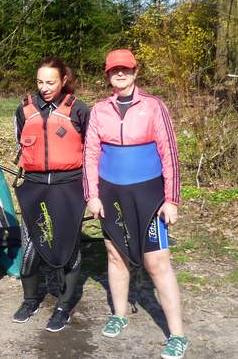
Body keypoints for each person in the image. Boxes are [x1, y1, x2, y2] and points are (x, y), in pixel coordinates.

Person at [83, 49, 189, 359]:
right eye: (114, 69)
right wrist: (92, 195)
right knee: (116, 256)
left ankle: (178, 335)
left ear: (135, 71)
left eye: (125, 69)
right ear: (107, 74)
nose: (120, 74)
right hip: (112, 194)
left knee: (157, 263)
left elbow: (170, 153)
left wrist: (171, 200)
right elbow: (89, 154)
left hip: (148, 194)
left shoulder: (154, 106)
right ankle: (119, 314)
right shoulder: (100, 110)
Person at [11, 56, 89, 332]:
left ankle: (63, 306)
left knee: (67, 248)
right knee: (31, 243)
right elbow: (20, 141)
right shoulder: (24, 110)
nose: (44, 87)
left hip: (68, 185)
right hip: (33, 185)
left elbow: (91, 152)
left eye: (50, 82)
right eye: (40, 82)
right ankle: (30, 299)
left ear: (64, 80)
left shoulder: (79, 110)